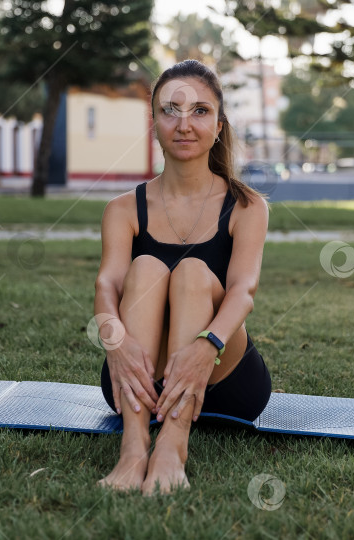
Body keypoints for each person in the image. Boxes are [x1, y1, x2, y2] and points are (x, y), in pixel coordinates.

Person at [93, 59, 272, 495]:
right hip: (139, 378)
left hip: (223, 377)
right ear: (153, 121)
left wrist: (206, 347)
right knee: (146, 267)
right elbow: (106, 286)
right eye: (170, 110)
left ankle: (172, 447)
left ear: (218, 124)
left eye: (200, 111)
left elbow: (243, 292)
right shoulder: (123, 208)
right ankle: (134, 447)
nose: (184, 124)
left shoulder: (246, 205)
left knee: (192, 272)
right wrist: (114, 343)